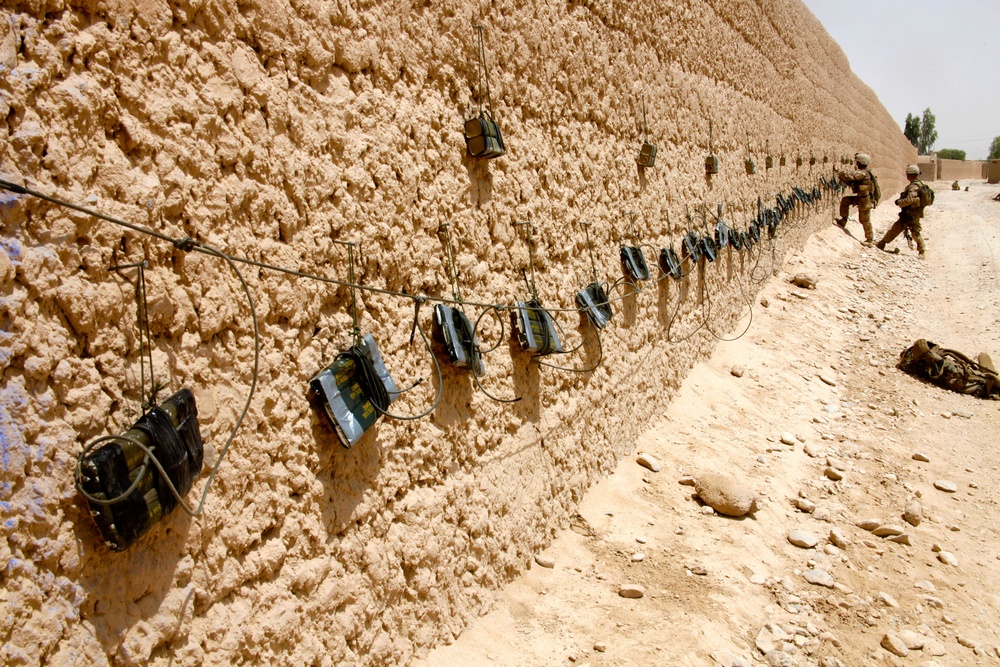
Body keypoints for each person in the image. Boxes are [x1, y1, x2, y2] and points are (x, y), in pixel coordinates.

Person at [876, 164, 926, 258]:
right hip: (909, 213)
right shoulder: (918, 184)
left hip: (912, 213)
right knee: (896, 228)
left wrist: (899, 202)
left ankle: (922, 251)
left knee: (915, 232)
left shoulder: (913, 187)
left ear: (909, 175)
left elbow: (909, 200)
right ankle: (882, 243)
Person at [835, 153, 876, 246]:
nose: (856, 164)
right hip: (860, 198)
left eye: (857, 162)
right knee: (845, 201)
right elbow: (851, 181)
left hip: (865, 200)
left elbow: (852, 176)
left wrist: (839, 171)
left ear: (861, 163)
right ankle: (843, 220)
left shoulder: (863, 173)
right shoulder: (864, 172)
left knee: (864, 219)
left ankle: (869, 240)